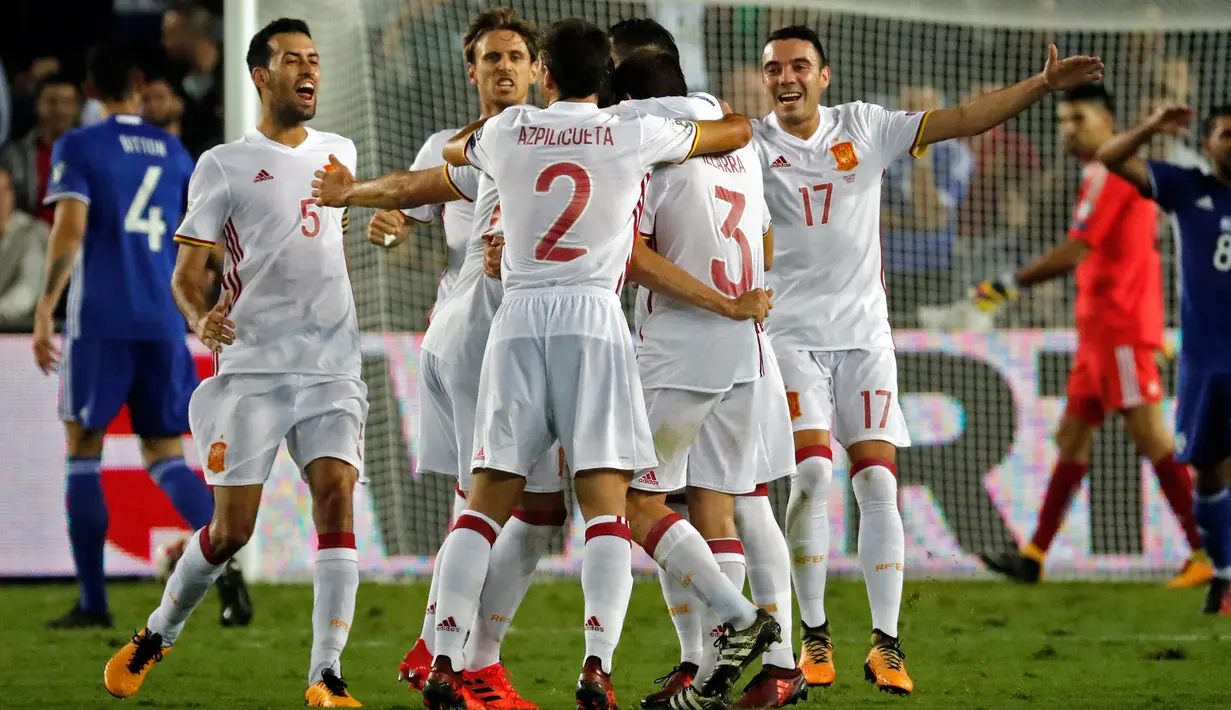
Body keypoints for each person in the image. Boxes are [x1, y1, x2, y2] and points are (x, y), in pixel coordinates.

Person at [422, 19, 776, 710]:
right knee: (610, 508)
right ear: (603, 80)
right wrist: (703, 115)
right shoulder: (628, 133)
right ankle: (598, 664)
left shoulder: (506, 133)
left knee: (485, 502)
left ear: (544, 75)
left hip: (518, 323)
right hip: (595, 323)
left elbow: (457, 151)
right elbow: (732, 133)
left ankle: (444, 656)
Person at [753, 25, 1102, 695]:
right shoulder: (746, 145)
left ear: (824, 77)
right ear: (766, 79)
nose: (786, 77)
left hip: (864, 336)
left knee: (879, 484)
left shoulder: (865, 126)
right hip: (788, 338)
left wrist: (1038, 85)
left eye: (799, 65)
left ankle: (885, 645)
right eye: (774, 68)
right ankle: (815, 634)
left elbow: (964, 119)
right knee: (809, 478)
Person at [101, 19, 367, 707]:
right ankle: (160, 629)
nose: (308, 70)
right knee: (230, 532)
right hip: (255, 369)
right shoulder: (221, 163)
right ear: (260, 75)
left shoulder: (341, 153)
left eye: (314, 59)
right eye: (291, 60)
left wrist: (387, 224)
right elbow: (186, 277)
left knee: (337, 493)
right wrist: (201, 319)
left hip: (333, 363)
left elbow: (333, 235)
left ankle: (327, 675)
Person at [604, 49, 805, 710]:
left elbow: (631, 255)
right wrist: (739, 298)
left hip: (682, 352)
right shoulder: (734, 138)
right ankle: (715, 673)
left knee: (637, 503)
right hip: (745, 353)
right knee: (717, 508)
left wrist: (716, 300)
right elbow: (767, 243)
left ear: (628, 98)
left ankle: (735, 624)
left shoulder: (643, 146)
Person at [32, 42, 247, 631]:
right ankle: (226, 564)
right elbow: (198, 247)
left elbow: (71, 229)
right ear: (135, 85)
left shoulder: (80, 146)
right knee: (165, 456)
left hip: (100, 322)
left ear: (91, 91)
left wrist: (47, 306)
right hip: (160, 320)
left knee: (83, 451)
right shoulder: (176, 152)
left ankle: (93, 603)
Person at [974, 85, 1210, 588]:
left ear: (1107, 119)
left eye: (1078, 117)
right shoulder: (1098, 174)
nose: (1068, 128)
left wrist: (1010, 283)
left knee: (1152, 438)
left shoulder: (1114, 172)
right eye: (1062, 120)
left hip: (1122, 329)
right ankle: (1034, 555)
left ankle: (1207, 549)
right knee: (1072, 438)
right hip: (1099, 332)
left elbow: (1080, 250)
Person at [1096, 103, 1231, 615]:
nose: (1230, 143)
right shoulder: (1185, 186)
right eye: (1223, 135)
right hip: (1202, 362)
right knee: (1206, 470)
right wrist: (1151, 126)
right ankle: (1223, 575)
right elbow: (1111, 157)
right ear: (1208, 143)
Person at [0, 73, 80, 225]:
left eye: (67, 102)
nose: (60, 110)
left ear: (77, 108)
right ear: (37, 105)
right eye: (51, 102)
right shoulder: (14, 156)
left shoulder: (93, 154)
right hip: (30, 241)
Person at [0, 165, 49, 326]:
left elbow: (28, 288)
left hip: (16, 329)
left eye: (5, 190)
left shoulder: (31, 232)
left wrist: (3, 310)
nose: (1, 198)